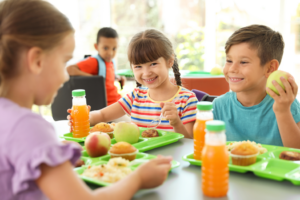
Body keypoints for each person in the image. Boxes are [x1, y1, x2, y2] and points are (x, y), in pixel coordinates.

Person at [0, 0, 172, 199]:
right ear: (37, 60)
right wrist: (138, 179)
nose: (66, 76)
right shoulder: (29, 127)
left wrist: (56, 158)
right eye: (64, 61)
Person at [69, 29, 198, 139]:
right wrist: (84, 117)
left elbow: (189, 142)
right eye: (138, 66)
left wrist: (176, 123)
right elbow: (103, 115)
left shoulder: (187, 99)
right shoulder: (136, 96)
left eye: (153, 64)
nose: (146, 73)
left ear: (170, 61)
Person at [213, 24, 300, 148]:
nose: (232, 69)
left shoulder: (285, 104)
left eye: (243, 62)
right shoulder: (219, 105)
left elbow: (297, 153)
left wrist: (282, 112)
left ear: (270, 68)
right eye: (229, 61)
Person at [66, 27, 126, 106]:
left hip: (117, 101)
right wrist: (93, 79)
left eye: (114, 48)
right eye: (105, 48)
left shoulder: (111, 62)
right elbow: (69, 69)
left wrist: (118, 77)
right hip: (108, 106)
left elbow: (107, 78)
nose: (110, 53)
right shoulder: (93, 62)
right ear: (96, 47)